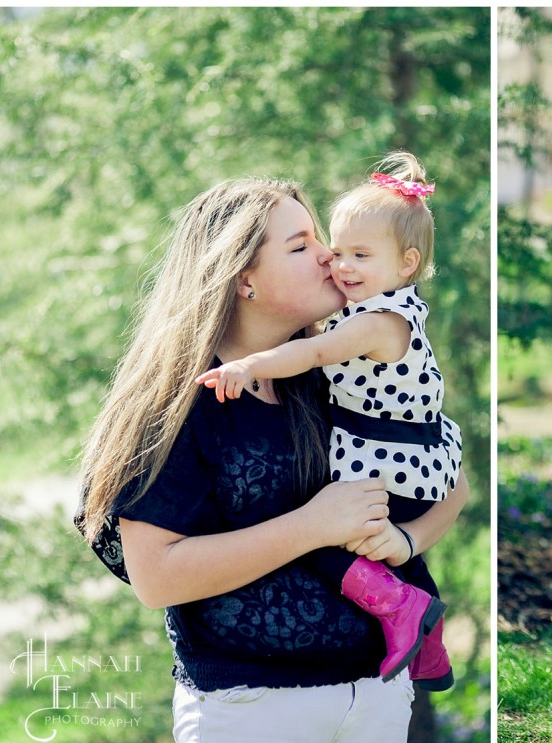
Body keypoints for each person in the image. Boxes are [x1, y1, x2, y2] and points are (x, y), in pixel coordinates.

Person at [75, 175, 469, 743]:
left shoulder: (332, 373)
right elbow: (156, 578)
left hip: (377, 696)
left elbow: (451, 486)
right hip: (250, 711)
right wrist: (313, 526)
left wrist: (404, 541)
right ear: (244, 279)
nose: (328, 256)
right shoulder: (180, 402)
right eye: (302, 244)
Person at [195, 152, 461, 692]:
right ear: (242, 278)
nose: (336, 263)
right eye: (330, 249)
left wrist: (250, 367)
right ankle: (423, 634)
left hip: (392, 457)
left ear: (407, 263)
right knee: (344, 530)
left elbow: (317, 353)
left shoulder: (379, 321)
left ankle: (402, 607)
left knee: (318, 530)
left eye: (357, 254)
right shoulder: (382, 310)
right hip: (404, 455)